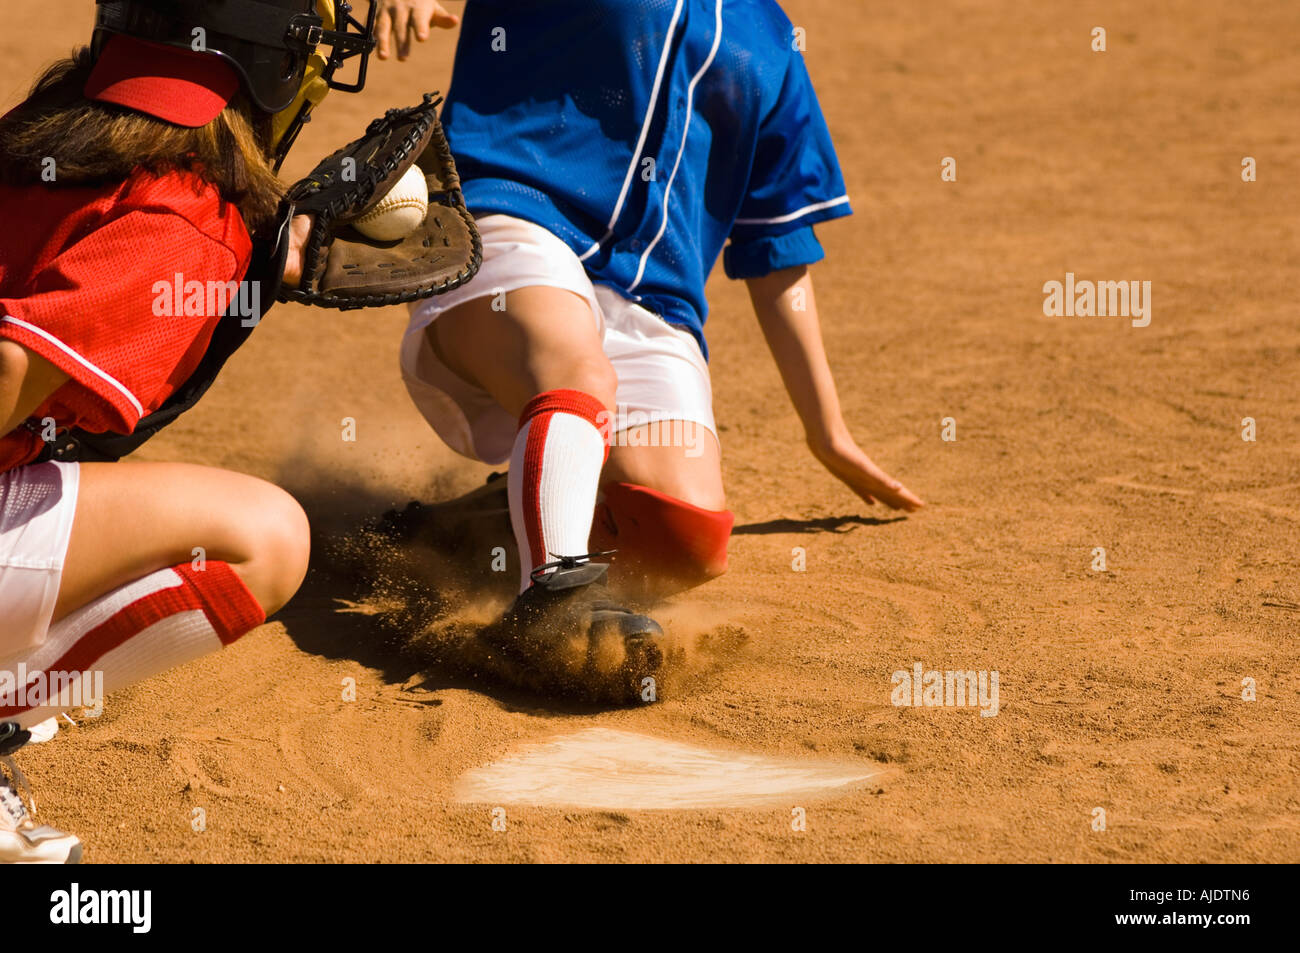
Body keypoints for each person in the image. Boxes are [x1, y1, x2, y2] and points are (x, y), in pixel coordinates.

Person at [383, 0, 924, 699]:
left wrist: (828, 431)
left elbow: (778, 251)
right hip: (511, 221)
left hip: (652, 302)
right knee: (579, 371)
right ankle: (550, 602)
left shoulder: (771, 42)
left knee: (680, 535)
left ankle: (474, 526)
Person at [0, 0, 381, 863]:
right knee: (264, 538)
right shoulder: (180, 216)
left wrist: (246, 260)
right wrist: (214, 255)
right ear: (270, 64)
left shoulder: (44, 135)